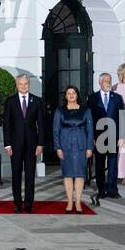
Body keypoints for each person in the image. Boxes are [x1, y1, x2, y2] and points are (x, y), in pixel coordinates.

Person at [2, 73, 43, 213]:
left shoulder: (36, 101)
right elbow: (6, 124)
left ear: (29, 84)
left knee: (30, 175)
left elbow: (41, 125)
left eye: (25, 84)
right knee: (16, 174)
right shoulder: (10, 101)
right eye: (20, 84)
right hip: (15, 145)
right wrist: (7, 144)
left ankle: (29, 203)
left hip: (32, 145)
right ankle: (18, 203)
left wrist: (40, 144)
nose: (23, 86)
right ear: (16, 85)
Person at [52, 85, 94, 213]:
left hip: (81, 144)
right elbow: (55, 130)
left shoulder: (86, 110)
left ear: (77, 95)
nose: (71, 95)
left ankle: (78, 202)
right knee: (68, 175)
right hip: (65, 145)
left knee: (80, 175)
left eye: (73, 93)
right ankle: (70, 202)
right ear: (65, 96)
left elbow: (90, 130)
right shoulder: (60, 110)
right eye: (68, 93)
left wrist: (89, 148)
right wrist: (57, 147)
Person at [88, 72, 124, 202]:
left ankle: (112, 190)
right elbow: (89, 119)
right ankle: (101, 189)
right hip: (99, 137)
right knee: (99, 165)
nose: (108, 83)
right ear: (100, 82)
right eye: (105, 81)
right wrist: (91, 137)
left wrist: (122, 136)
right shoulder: (92, 98)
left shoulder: (117, 98)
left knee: (113, 164)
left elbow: (122, 116)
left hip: (114, 136)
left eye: (109, 80)